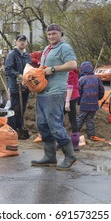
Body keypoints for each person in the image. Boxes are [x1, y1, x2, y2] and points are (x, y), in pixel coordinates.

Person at [31, 23, 78, 171]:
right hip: (43, 91)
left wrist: (54, 69)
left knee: (55, 125)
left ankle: (70, 156)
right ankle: (50, 156)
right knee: (42, 125)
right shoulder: (47, 48)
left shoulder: (64, 47)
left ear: (61, 34)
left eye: (54, 34)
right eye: (49, 34)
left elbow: (73, 64)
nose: (51, 36)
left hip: (56, 91)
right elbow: (42, 69)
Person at [5, 34, 32, 139]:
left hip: (25, 87)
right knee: (14, 108)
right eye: (20, 40)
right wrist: (18, 75)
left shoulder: (27, 56)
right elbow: (8, 69)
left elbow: (30, 69)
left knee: (22, 108)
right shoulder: (12, 54)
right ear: (16, 42)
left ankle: (20, 128)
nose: (22, 43)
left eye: (24, 41)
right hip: (16, 87)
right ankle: (11, 129)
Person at [76, 61, 105, 141]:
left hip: (84, 103)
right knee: (90, 119)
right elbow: (101, 89)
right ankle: (91, 135)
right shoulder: (97, 78)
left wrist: (78, 101)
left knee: (80, 118)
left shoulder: (81, 79)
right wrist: (98, 98)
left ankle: (75, 133)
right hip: (94, 104)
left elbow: (78, 91)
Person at [65, 69, 80, 151]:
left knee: (59, 118)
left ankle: (62, 141)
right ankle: (75, 145)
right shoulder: (75, 71)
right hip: (75, 95)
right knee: (73, 119)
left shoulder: (69, 71)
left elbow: (70, 85)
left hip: (69, 96)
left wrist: (67, 101)